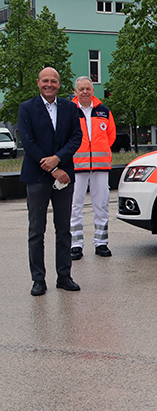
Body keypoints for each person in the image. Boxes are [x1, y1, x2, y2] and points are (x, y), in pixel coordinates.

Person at [18, 67, 83, 295]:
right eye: (45, 81)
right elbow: (28, 142)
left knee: (64, 229)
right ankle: (38, 280)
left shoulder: (70, 108)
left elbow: (77, 137)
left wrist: (58, 159)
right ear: (38, 83)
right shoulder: (26, 108)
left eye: (53, 81)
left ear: (59, 84)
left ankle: (64, 276)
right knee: (37, 230)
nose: (49, 84)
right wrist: (53, 167)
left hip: (64, 176)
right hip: (37, 177)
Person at [69, 76, 116, 260]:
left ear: (93, 90)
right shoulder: (69, 111)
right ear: (76, 92)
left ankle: (101, 243)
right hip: (76, 167)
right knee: (75, 206)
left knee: (102, 205)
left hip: (100, 166)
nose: (85, 91)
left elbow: (110, 136)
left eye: (88, 88)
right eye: (81, 89)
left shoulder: (104, 111)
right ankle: (75, 244)